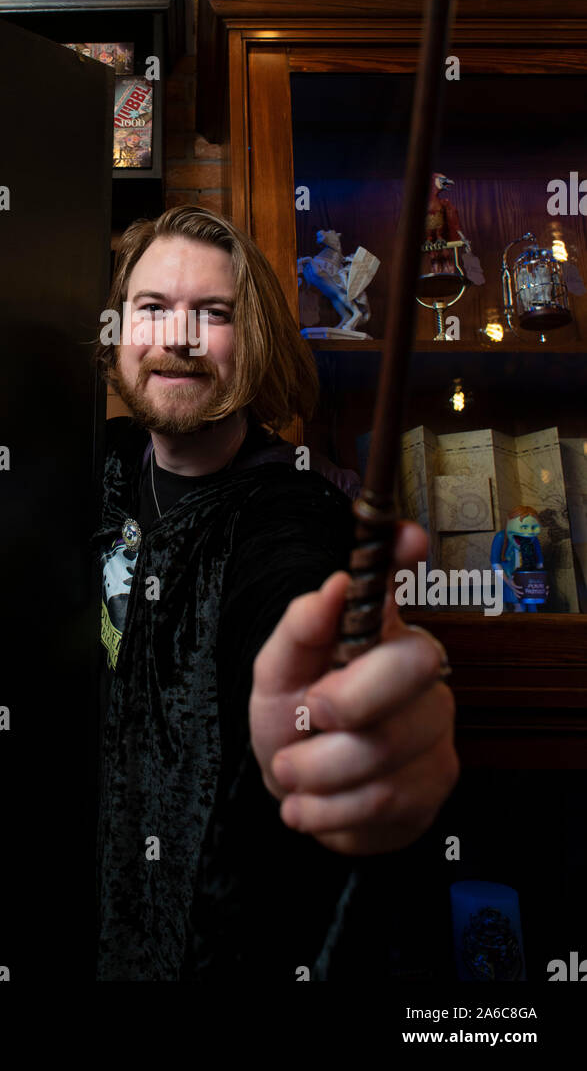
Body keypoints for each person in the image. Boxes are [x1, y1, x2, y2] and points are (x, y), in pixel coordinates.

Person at [94, 205, 457, 980]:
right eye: (152, 308)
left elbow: (291, 594)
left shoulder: (291, 509)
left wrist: (339, 719)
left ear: (250, 337)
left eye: (213, 314)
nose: (178, 337)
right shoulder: (102, 464)